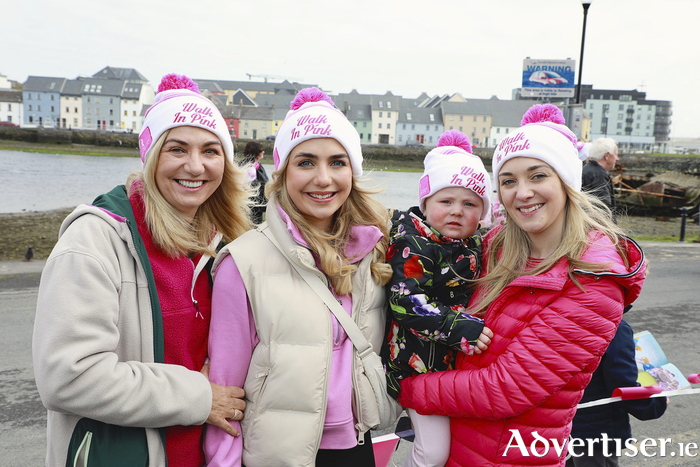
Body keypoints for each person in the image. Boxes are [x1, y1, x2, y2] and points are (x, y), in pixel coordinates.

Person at [396, 104, 647, 467]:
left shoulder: (593, 282)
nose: (523, 192)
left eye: (537, 175)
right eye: (509, 181)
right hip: (458, 450)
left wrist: (401, 387)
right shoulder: (496, 248)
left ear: (566, 181)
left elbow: (502, 390)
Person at [32, 74, 252, 467]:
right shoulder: (96, 241)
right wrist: (200, 396)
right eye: (177, 149)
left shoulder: (231, 247)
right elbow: (68, 377)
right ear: (150, 157)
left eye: (211, 150)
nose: (195, 166)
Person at [204, 87, 401, 467]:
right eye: (306, 162)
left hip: (356, 447)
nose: (323, 179)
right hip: (274, 454)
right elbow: (224, 395)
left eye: (338, 162)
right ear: (283, 171)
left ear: (353, 171)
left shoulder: (376, 252)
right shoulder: (243, 263)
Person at [381, 129, 494, 467]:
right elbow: (405, 299)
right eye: (446, 201)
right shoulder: (413, 244)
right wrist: (459, 326)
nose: (457, 211)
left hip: (447, 369)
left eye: (470, 204)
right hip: (412, 366)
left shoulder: (474, 246)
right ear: (426, 203)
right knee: (431, 453)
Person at [566, 313, 668, 467]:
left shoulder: (556, 317)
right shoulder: (613, 328)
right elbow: (622, 386)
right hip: (597, 428)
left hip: (562, 421)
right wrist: (655, 404)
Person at [582, 137, 619, 221]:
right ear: (607, 155)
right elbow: (603, 209)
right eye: (616, 154)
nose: (617, 158)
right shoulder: (599, 175)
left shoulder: (587, 169)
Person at [242, 140, 269, 224]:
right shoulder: (248, 165)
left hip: (257, 204)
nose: (263, 152)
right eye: (261, 150)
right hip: (251, 204)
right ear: (255, 151)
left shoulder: (257, 164)